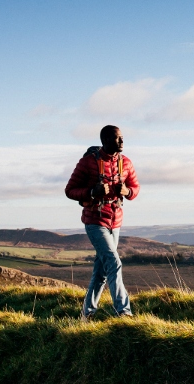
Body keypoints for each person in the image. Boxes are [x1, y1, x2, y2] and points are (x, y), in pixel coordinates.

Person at [65, 125, 140, 319]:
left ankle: (87, 314)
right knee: (114, 263)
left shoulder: (127, 163)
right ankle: (123, 311)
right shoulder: (87, 162)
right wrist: (92, 192)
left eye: (122, 137)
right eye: (117, 138)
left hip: (115, 222)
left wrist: (127, 192)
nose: (122, 141)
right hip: (95, 221)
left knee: (101, 272)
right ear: (105, 140)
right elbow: (70, 190)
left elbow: (135, 187)